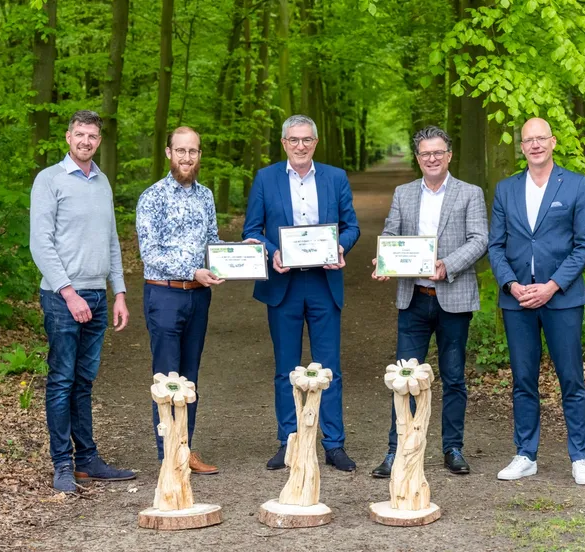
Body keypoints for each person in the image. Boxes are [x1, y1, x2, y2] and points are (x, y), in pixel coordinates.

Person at [242, 114, 361, 472]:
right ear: (284, 143)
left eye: (306, 140)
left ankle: (334, 444)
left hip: (324, 284)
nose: (300, 146)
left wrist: (340, 247)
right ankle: (289, 440)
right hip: (283, 285)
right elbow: (252, 229)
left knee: (330, 368)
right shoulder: (265, 178)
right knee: (285, 369)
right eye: (293, 140)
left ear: (316, 142)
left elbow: (351, 226)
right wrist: (270, 250)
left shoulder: (335, 177)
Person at [370, 126, 488, 478]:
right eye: (425, 153)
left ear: (449, 155)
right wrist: (384, 259)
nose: (432, 158)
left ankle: (453, 448)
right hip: (414, 299)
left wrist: (447, 265)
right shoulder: (404, 194)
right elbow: (392, 234)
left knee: (453, 378)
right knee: (404, 378)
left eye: (438, 152)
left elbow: (480, 239)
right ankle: (397, 449)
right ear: (418, 158)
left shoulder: (470, 193)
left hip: (454, 298)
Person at [488, 117, 585, 485]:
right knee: (523, 379)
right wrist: (511, 285)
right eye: (527, 140)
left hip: (561, 298)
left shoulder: (577, 185)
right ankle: (525, 454)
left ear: (552, 143)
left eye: (541, 139)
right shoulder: (506, 189)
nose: (535, 145)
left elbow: (584, 245)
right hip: (517, 300)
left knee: (571, 379)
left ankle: (580, 457)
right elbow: (496, 246)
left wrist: (552, 285)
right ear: (521, 147)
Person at [30, 110, 134, 493]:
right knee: (61, 380)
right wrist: (68, 292)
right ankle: (62, 464)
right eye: (79, 135)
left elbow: (110, 241)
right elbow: (40, 243)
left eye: (92, 136)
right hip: (62, 298)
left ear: (99, 141)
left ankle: (88, 460)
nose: (86, 141)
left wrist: (119, 292)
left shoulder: (102, 182)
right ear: (67, 137)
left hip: (97, 296)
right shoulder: (50, 181)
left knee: (84, 382)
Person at [136, 126, 225, 475]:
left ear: (200, 155)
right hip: (165, 294)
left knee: (190, 378)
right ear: (169, 153)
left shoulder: (205, 196)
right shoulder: (152, 197)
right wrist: (193, 270)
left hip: (198, 297)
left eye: (194, 151)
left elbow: (213, 241)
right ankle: (167, 457)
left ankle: (185, 448)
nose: (187, 157)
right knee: (167, 378)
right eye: (181, 150)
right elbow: (151, 254)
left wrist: (233, 256)